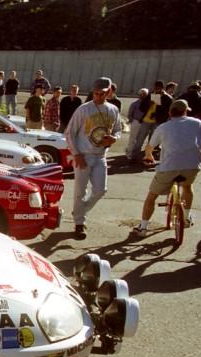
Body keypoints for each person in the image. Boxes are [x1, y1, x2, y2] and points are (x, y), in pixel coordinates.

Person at [131, 99, 201, 237]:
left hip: (169, 167)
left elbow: (150, 147)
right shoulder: (199, 124)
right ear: (186, 111)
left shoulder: (163, 127)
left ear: (170, 112)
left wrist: (148, 156)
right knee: (187, 187)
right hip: (192, 166)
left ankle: (143, 227)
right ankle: (187, 217)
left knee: (151, 197)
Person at [64, 77, 121, 239]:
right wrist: (76, 154)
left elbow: (118, 129)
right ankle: (79, 223)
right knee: (79, 191)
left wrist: (115, 138)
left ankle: (79, 210)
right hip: (83, 155)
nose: (98, 97)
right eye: (95, 93)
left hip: (101, 156)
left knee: (101, 190)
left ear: (109, 92)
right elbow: (69, 133)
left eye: (102, 94)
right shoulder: (84, 109)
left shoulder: (113, 110)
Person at [125, 88, 150, 161]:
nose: (142, 96)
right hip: (136, 122)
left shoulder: (149, 104)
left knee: (140, 140)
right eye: (141, 94)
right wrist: (132, 121)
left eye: (144, 94)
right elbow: (130, 114)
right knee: (132, 139)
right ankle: (129, 154)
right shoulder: (135, 104)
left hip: (145, 123)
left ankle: (135, 154)